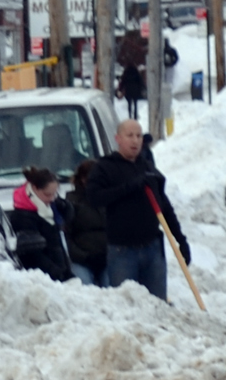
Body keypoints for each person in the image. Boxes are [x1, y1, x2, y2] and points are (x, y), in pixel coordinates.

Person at [80, 121, 189, 300]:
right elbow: (94, 198)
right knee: (126, 307)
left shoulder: (147, 168)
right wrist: (129, 187)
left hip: (152, 250)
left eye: (138, 136)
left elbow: (164, 207)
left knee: (157, 305)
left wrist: (181, 240)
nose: (135, 141)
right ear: (118, 139)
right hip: (122, 252)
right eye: (130, 136)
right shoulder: (104, 167)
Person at [8, 166, 75, 281]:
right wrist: (57, 273)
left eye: (55, 194)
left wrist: (63, 205)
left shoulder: (50, 207)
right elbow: (33, 254)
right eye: (48, 194)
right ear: (34, 188)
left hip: (59, 269)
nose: (52, 199)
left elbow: (68, 217)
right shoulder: (22, 216)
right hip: (42, 278)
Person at [65, 157, 110, 283]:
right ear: (83, 179)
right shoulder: (71, 202)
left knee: (113, 288)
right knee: (84, 288)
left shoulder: (108, 198)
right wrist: (84, 257)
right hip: (82, 260)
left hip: (108, 259)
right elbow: (66, 236)